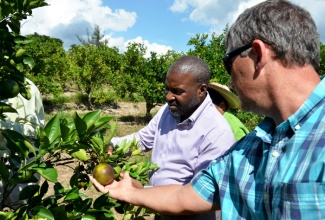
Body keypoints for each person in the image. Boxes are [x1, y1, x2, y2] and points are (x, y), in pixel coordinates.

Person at [90, 0, 325, 219]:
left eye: (228, 63)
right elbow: (186, 195)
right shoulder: (249, 149)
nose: (230, 81)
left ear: (257, 54)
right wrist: (131, 192)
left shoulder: (222, 133)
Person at [110, 55, 235, 219]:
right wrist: (113, 145)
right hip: (159, 209)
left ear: (202, 90)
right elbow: (143, 138)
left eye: (177, 91)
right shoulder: (167, 111)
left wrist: (139, 193)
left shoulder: (217, 132)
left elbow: (198, 195)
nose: (169, 97)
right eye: (167, 89)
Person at [0, 78, 45, 209]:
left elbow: (31, 130)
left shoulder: (23, 87)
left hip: (21, 163)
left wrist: (2, 125)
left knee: (23, 212)